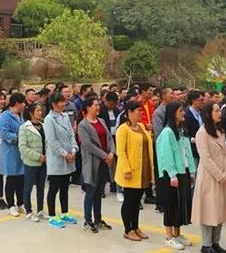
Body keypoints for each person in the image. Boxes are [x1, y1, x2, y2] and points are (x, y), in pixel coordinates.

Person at [191, 100, 226, 253]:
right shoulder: (202, 133)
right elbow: (206, 158)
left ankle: (216, 242)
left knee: (220, 210)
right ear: (208, 114)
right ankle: (206, 244)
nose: (219, 113)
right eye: (216, 111)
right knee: (209, 211)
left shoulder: (220, 131)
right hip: (210, 177)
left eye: (219, 110)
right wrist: (219, 175)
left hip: (222, 176)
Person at [154, 102, 196, 249]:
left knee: (180, 204)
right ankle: (169, 236)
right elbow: (166, 155)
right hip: (172, 174)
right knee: (171, 204)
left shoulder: (181, 130)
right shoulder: (167, 132)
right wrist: (172, 175)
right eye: (180, 111)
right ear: (173, 113)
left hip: (183, 171)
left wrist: (191, 170)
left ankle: (177, 234)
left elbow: (187, 152)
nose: (183, 113)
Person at [114, 100, 153, 241]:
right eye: (138, 110)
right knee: (129, 202)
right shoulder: (123, 129)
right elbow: (121, 151)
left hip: (143, 170)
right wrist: (126, 169)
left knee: (137, 202)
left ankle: (136, 226)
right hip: (130, 172)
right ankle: (128, 229)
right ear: (129, 112)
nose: (140, 113)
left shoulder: (142, 126)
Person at [77, 97, 115, 234]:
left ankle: (98, 219)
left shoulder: (102, 121)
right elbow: (88, 145)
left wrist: (111, 152)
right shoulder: (83, 125)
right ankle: (88, 220)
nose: (98, 107)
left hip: (105, 162)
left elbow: (109, 138)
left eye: (98, 105)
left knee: (99, 192)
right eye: (95, 105)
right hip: (93, 163)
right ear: (88, 107)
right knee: (91, 192)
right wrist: (105, 156)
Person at [44, 91, 79, 227]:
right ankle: (52, 216)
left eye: (64, 101)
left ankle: (65, 213)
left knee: (65, 188)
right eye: (61, 102)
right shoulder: (49, 119)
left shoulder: (65, 116)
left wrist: (73, 150)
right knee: (54, 188)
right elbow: (52, 142)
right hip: (57, 159)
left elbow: (71, 135)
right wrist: (65, 154)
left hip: (69, 157)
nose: (64, 104)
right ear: (54, 104)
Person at [18, 102, 48, 221]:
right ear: (31, 113)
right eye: (38, 111)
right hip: (31, 163)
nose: (40, 113)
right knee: (28, 187)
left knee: (41, 187)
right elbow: (22, 147)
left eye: (41, 110)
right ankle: (29, 211)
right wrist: (38, 156)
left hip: (44, 162)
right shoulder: (24, 128)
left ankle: (40, 210)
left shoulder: (44, 126)